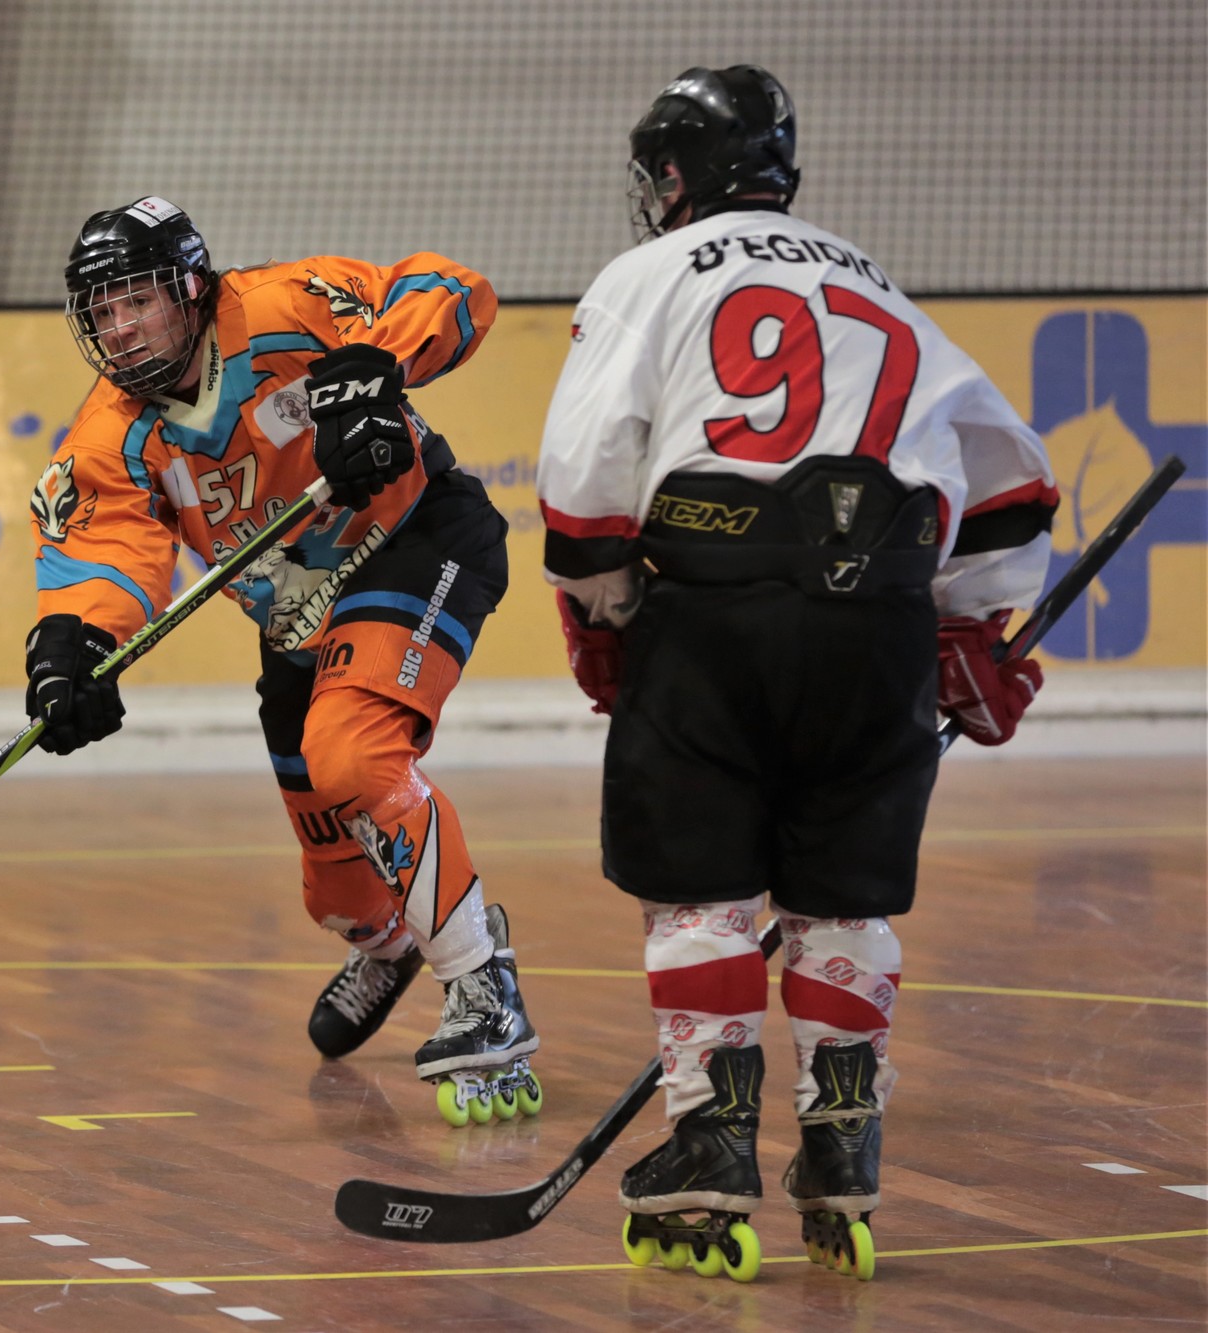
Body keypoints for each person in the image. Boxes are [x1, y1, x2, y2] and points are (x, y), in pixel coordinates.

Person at [535, 68, 1057, 1279]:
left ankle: (710, 1142)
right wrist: (962, 630)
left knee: (702, 892)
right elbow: (1015, 491)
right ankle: (843, 1139)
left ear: (673, 176)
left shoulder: (647, 274)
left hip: (717, 614)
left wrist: (607, 611)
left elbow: (584, 491)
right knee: (843, 899)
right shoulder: (873, 280)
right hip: (879, 624)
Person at [25, 196, 541, 1125]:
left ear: (190, 288)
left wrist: (376, 370)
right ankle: (391, 942)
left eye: (136, 300)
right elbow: (101, 549)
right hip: (300, 619)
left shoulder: (282, 306)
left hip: (412, 537)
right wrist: (74, 647)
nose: (119, 328)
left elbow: (449, 288)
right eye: (101, 311)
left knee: (356, 756)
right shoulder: (114, 432)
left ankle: (480, 979)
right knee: (334, 891)